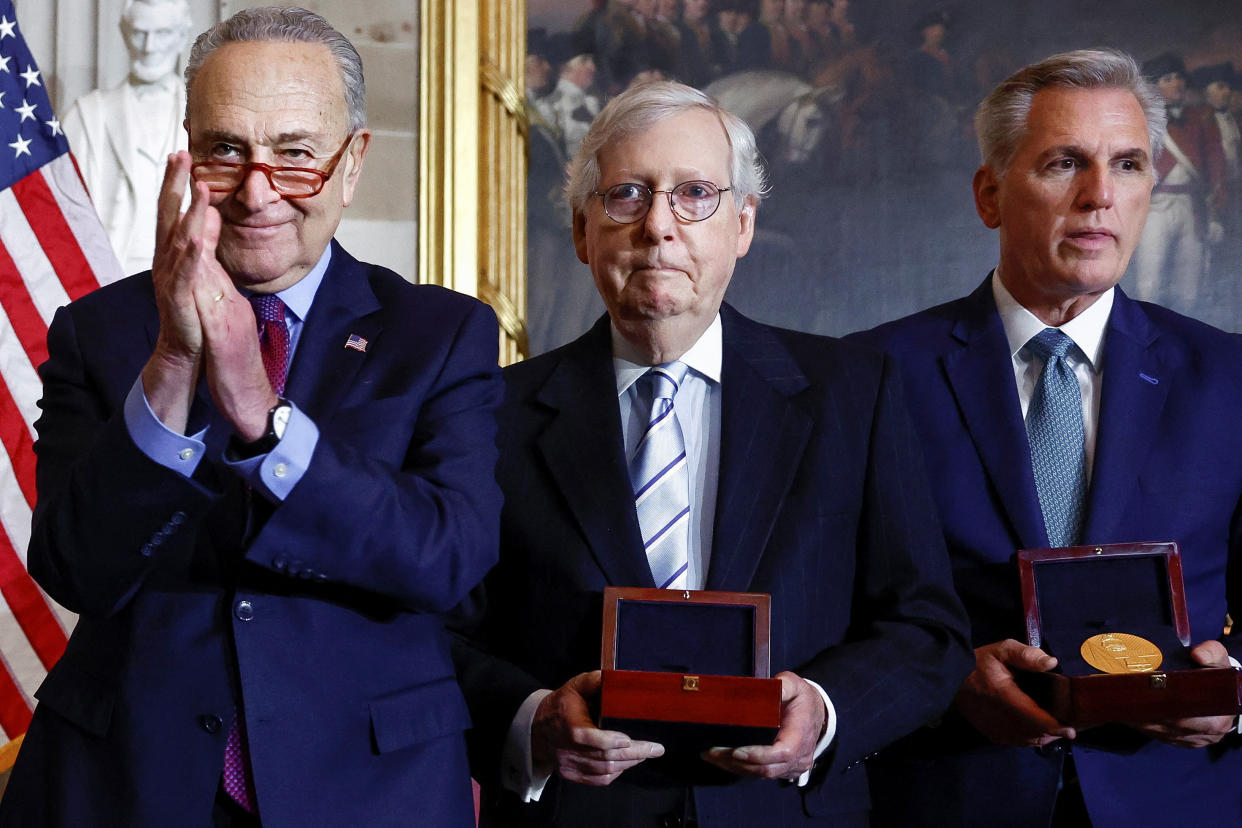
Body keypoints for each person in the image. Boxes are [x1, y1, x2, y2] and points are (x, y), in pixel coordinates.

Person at [0, 7, 502, 827]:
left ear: (353, 163)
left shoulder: (439, 335)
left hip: (366, 789)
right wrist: (169, 365)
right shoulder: (101, 332)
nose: (256, 191)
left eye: (296, 155)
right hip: (126, 785)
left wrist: (265, 422)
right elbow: (75, 567)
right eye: (224, 152)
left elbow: (446, 558)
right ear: (187, 151)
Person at [452, 80, 971, 827]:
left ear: (744, 223)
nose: (659, 226)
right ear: (579, 230)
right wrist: (531, 717)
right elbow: (437, 635)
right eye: (627, 194)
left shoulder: (854, 393)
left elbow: (926, 630)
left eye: (695, 193)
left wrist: (823, 713)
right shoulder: (491, 410)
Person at [854, 48, 1242, 827]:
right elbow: (828, 608)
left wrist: (1234, 695)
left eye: (1129, 165)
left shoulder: (1228, 377)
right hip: (945, 793)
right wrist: (943, 679)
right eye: (1065, 163)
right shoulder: (871, 375)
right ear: (989, 194)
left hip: (1177, 800)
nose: (1100, 196)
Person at [62, 0, 193, 275]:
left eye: (163, 33)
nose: (149, 47)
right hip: (109, 273)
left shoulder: (203, 113)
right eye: (139, 33)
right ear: (124, 33)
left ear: (182, 36)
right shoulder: (88, 116)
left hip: (187, 268)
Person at [1128, 53, 1226, 310]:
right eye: (1168, 79)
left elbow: (1216, 165)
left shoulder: (1202, 118)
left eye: (1179, 78)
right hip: (1154, 207)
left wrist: (1215, 215)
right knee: (1149, 280)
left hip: (1192, 207)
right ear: (1154, 86)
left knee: (1190, 282)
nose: (1177, 84)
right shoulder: (1141, 119)